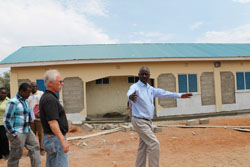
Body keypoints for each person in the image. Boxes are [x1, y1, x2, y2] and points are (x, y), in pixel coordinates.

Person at [127, 67, 192, 167]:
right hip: (139, 121)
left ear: (149, 76)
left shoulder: (150, 89)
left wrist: (180, 95)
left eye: (146, 74)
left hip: (147, 122)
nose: (144, 76)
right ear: (138, 75)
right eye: (142, 74)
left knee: (143, 146)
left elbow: (165, 93)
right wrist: (130, 96)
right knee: (154, 143)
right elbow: (129, 93)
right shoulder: (135, 87)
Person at [3, 83, 41, 167]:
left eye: (30, 92)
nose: (29, 94)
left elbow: (26, 115)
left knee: (35, 147)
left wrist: (32, 116)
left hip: (27, 130)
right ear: (21, 91)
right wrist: (13, 134)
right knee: (16, 155)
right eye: (28, 92)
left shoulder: (25, 101)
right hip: (17, 132)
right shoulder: (13, 102)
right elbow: (6, 120)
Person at [39, 70, 69, 167]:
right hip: (55, 140)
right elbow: (52, 122)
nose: (62, 83)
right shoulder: (50, 99)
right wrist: (62, 140)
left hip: (52, 139)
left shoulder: (48, 97)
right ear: (51, 83)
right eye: (60, 81)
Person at [27, 82, 45, 155]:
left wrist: (41, 114)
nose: (34, 88)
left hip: (39, 119)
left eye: (35, 86)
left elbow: (44, 104)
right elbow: (28, 107)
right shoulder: (29, 96)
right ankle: (32, 150)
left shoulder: (41, 94)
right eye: (33, 86)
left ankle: (42, 149)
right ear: (30, 87)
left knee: (41, 135)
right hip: (31, 119)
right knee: (31, 135)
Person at [0, 87, 10, 160]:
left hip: (4, 123)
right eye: (1, 93)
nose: (3, 94)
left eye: (4, 93)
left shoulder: (9, 101)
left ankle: (6, 153)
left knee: (4, 138)